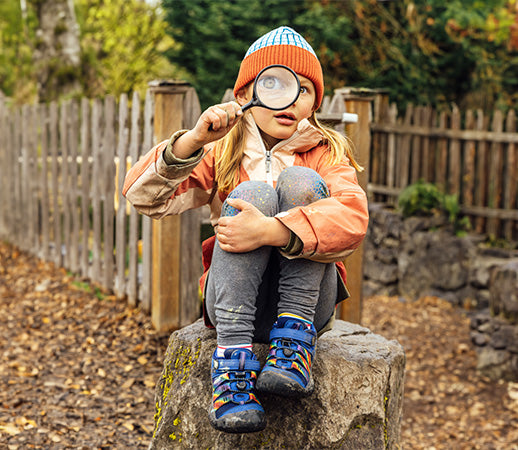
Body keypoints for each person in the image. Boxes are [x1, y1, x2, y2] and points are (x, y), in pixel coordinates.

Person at [123, 26, 369, 434]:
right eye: (271, 83)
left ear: (313, 103)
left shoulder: (327, 152)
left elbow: (353, 219)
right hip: (235, 310)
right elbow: (141, 196)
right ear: (243, 94)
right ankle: (231, 367)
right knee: (253, 190)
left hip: (308, 309)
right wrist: (191, 142)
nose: (291, 98)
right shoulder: (220, 150)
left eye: (305, 89)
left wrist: (271, 231)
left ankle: (292, 345)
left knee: (303, 183)